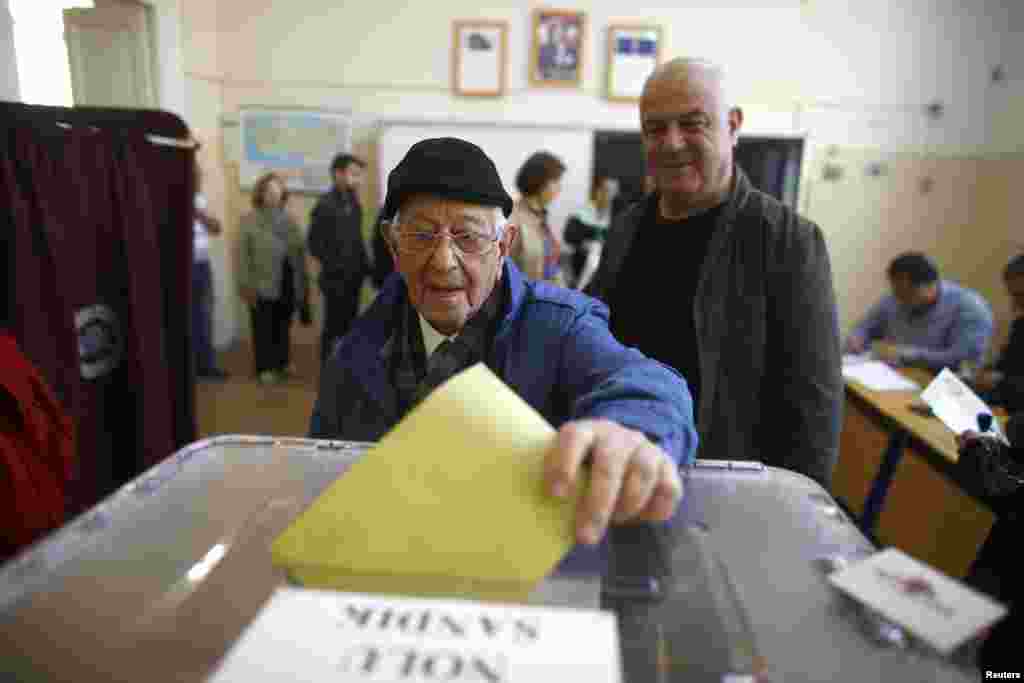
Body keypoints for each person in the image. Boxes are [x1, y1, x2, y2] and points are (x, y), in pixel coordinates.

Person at [310, 137, 697, 557]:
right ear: (392, 244)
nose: (442, 261)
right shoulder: (357, 349)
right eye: (421, 236)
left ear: (504, 244)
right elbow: (321, 473)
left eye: (468, 236)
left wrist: (630, 430)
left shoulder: (559, 327)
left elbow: (648, 385)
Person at [586, 57, 842, 488]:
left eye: (693, 123)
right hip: (619, 469)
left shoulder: (787, 241)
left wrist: (787, 513)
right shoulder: (628, 226)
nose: (671, 143)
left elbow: (814, 411)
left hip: (723, 486)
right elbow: (594, 334)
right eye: (655, 128)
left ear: (733, 125)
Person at [845, 251, 994, 371]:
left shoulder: (970, 308)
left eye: (906, 294)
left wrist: (908, 355)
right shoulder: (895, 297)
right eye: (896, 292)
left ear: (931, 285)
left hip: (945, 389)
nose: (899, 300)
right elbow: (865, 326)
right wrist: (857, 337)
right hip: (896, 375)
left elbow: (961, 359)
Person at [237, 173, 311, 385]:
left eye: (278, 191)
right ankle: (265, 367)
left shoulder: (289, 219)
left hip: (286, 281)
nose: (274, 195)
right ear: (261, 194)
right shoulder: (249, 219)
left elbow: (298, 252)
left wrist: (301, 285)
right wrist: (245, 285)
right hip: (261, 282)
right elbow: (242, 255)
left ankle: (282, 362)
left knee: (282, 325)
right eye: (269, 191)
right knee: (263, 327)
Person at [308, 154, 371, 364]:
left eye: (359, 175)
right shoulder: (325, 204)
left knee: (351, 322)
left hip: (355, 275)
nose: (358, 179)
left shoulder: (353, 201)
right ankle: (327, 365)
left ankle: (346, 364)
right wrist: (335, 264)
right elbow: (314, 244)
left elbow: (356, 238)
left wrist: (366, 267)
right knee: (333, 324)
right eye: (353, 174)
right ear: (338, 174)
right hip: (335, 278)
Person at [968, 254, 1024, 411]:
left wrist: (1000, 381)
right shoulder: (1020, 325)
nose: (1016, 303)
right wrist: (988, 371)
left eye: (1021, 296)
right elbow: (1006, 365)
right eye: (1013, 295)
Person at [191, 160, 228, 380]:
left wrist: (201, 214)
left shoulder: (200, 200)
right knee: (190, 317)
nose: (199, 178)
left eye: (199, 174)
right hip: (183, 267)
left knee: (205, 314)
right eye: (195, 174)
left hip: (202, 264)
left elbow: (217, 228)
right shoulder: (169, 195)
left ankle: (206, 365)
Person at [510, 151, 567, 286]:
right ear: (539, 181)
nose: (560, 187)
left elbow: (550, 266)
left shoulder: (540, 217)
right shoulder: (513, 218)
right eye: (556, 181)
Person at [564, 175, 616, 291]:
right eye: (606, 191)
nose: (609, 196)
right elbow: (569, 237)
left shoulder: (615, 217)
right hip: (581, 266)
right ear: (598, 191)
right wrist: (584, 244)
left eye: (612, 193)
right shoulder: (580, 214)